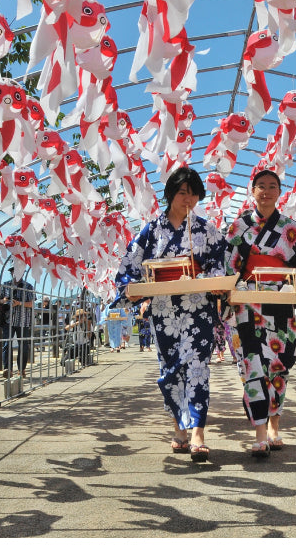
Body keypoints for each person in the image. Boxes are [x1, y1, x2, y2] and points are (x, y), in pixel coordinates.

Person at [113, 166, 227, 463]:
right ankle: (178, 429)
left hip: (197, 308)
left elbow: (219, 265)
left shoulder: (208, 230)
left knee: (197, 368)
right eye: (182, 192)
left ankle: (199, 433)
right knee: (171, 369)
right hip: (164, 311)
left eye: (193, 193)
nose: (188, 198)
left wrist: (213, 282)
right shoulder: (152, 230)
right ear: (171, 194)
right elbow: (130, 265)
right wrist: (133, 289)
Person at [224, 168, 296, 457]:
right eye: (261, 186)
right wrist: (227, 295)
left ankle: (274, 426)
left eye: (272, 186)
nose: (266, 191)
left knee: (279, 366)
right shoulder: (239, 227)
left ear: (279, 192)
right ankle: (259, 432)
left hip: (280, 305)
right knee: (252, 366)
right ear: (252, 190)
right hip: (247, 304)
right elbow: (227, 267)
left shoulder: (290, 228)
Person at [0, 267, 36, 379]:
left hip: (23, 320)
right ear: (11, 273)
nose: (16, 274)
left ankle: (21, 369)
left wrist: (19, 303)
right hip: (7, 320)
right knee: (6, 345)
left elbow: (32, 304)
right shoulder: (5, 285)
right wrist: (5, 300)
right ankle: (7, 369)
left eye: (18, 271)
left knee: (23, 345)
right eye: (14, 272)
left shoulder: (28, 286)